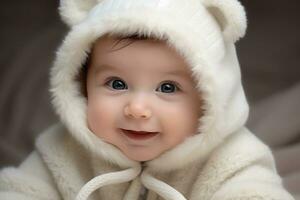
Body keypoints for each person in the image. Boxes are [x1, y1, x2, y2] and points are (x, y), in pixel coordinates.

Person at [0, 0, 295, 199]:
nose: (138, 108)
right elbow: (21, 190)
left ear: (210, 99)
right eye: (116, 84)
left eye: (167, 88)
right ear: (81, 85)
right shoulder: (64, 150)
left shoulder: (232, 158)